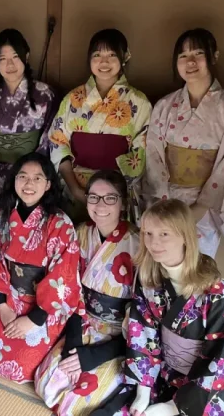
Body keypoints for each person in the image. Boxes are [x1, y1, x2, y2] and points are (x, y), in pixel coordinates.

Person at [0, 152, 81, 383]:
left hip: (43, 306)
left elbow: (64, 276)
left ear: (48, 184)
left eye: (38, 178)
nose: (29, 184)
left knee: (20, 367)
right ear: (14, 180)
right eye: (23, 176)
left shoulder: (60, 224)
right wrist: (2, 306)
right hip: (9, 298)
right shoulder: (2, 217)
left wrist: (34, 319)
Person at [126, 199, 224, 416]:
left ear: (185, 236)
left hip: (207, 389)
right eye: (148, 233)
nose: (153, 242)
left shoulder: (220, 296)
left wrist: (172, 407)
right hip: (165, 376)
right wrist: (143, 390)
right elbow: (142, 333)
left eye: (164, 234)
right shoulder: (150, 281)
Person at [35, 170, 139, 415]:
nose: (100, 205)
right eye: (93, 197)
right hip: (82, 323)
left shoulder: (139, 244)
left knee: (77, 402)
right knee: (47, 384)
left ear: (123, 203)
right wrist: (73, 343)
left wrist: (93, 356)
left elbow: (143, 314)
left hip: (120, 339)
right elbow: (68, 288)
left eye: (110, 198)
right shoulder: (80, 233)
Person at [143, 28, 224, 258]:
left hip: (206, 207)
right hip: (167, 202)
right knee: (163, 264)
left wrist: (200, 207)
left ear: (214, 56)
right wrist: (162, 204)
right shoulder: (164, 106)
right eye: (183, 56)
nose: (190, 62)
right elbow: (153, 155)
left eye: (198, 53)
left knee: (198, 268)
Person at [49, 28, 151, 224]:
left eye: (111, 55)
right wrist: (75, 188)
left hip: (116, 194)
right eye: (97, 55)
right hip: (75, 189)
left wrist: (112, 194)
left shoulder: (139, 103)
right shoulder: (72, 99)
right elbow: (57, 143)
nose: (104, 62)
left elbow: (143, 151)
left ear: (125, 57)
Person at [0, 29, 57, 201]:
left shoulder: (45, 94)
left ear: (26, 56)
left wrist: (37, 174)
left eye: (15, 57)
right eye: (3, 59)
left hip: (32, 180)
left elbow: (50, 138)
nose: (10, 64)